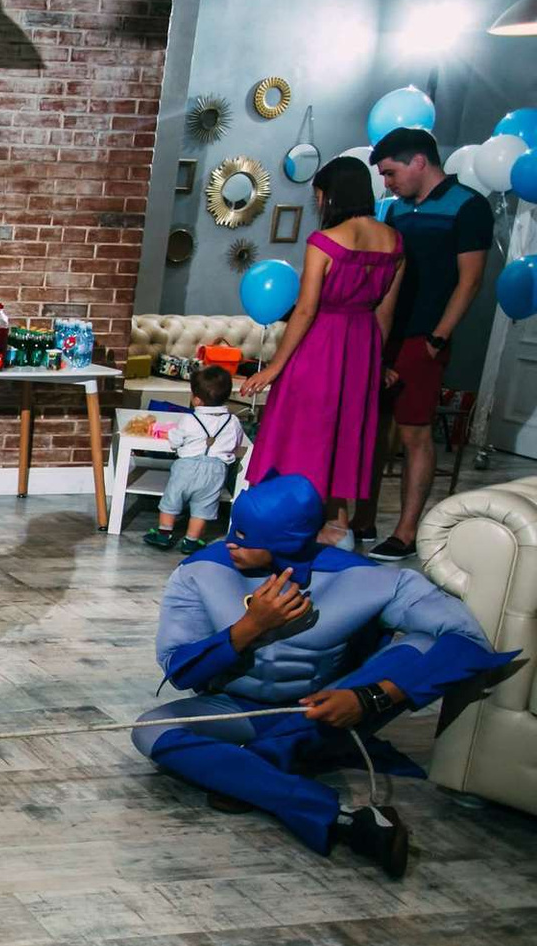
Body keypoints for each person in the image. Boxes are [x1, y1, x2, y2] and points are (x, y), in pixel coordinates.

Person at [133, 474, 517, 879]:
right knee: (150, 731)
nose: (229, 542)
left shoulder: (370, 579)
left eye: (244, 536)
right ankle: (341, 817)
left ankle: (250, 770)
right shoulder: (200, 572)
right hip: (234, 707)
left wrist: (373, 696)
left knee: (425, 640)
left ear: (285, 538)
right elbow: (179, 669)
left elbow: (467, 639)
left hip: (330, 706)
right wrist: (249, 627)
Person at [239, 157, 402, 538]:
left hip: (320, 346)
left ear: (330, 195)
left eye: (318, 196)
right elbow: (386, 312)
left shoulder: (324, 241)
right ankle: (338, 526)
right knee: (345, 435)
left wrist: (274, 367)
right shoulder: (394, 242)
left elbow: (306, 309)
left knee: (303, 434)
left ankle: (291, 523)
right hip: (362, 346)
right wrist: (376, 362)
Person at [352, 129, 491, 561]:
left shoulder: (468, 206)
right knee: (373, 430)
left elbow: (470, 280)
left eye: (390, 173)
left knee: (414, 432)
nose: (387, 183)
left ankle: (406, 532)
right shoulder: (396, 210)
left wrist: (438, 337)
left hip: (424, 337)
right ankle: (363, 519)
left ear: (418, 162)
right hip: (385, 333)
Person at [145, 365, 244, 554]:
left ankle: (164, 534)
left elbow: (176, 441)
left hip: (186, 467)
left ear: (196, 399)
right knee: (203, 506)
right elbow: (236, 443)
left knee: (172, 499)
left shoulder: (189, 420)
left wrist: (168, 434)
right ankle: (191, 540)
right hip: (216, 469)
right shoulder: (233, 422)